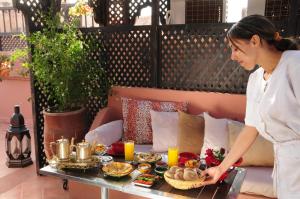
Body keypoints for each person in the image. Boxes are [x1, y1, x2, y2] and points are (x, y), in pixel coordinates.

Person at [201, 14, 300, 199]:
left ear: (254, 40)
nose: (232, 56)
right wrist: (221, 169)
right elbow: (251, 128)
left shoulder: (295, 64)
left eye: (236, 48)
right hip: (285, 169)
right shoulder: (255, 80)